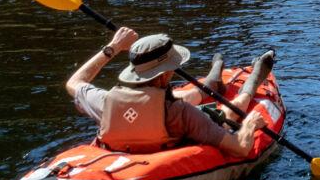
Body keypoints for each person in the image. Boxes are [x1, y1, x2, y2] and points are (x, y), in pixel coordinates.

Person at [64, 27, 275, 156]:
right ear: (166, 74)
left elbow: (75, 81)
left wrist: (113, 47)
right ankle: (251, 82)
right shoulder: (180, 113)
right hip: (175, 128)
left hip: (151, 120)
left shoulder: (105, 101)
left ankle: (212, 82)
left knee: (180, 96)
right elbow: (240, 148)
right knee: (228, 114)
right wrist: (250, 124)